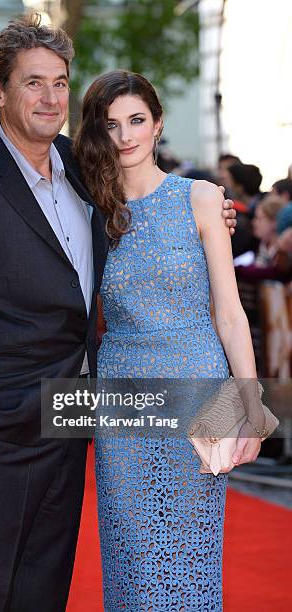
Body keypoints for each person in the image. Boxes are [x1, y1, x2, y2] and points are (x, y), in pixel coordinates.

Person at [0, 16, 236, 612]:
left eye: (60, 82)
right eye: (33, 83)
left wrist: (212, 217)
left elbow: (151, 213)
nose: (50, 97)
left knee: (44, 586)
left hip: (78, 415)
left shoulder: (84, 169)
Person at [74, 70, 263, 611]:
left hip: (199, 391)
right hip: (123, 398)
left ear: (158, 124)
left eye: (137, 120)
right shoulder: (91, 209)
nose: (126, 135)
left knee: (191, 553)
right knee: (131, 554)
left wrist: (249, 403)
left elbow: (228, 312)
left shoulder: (201, 197)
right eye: (111, 124)